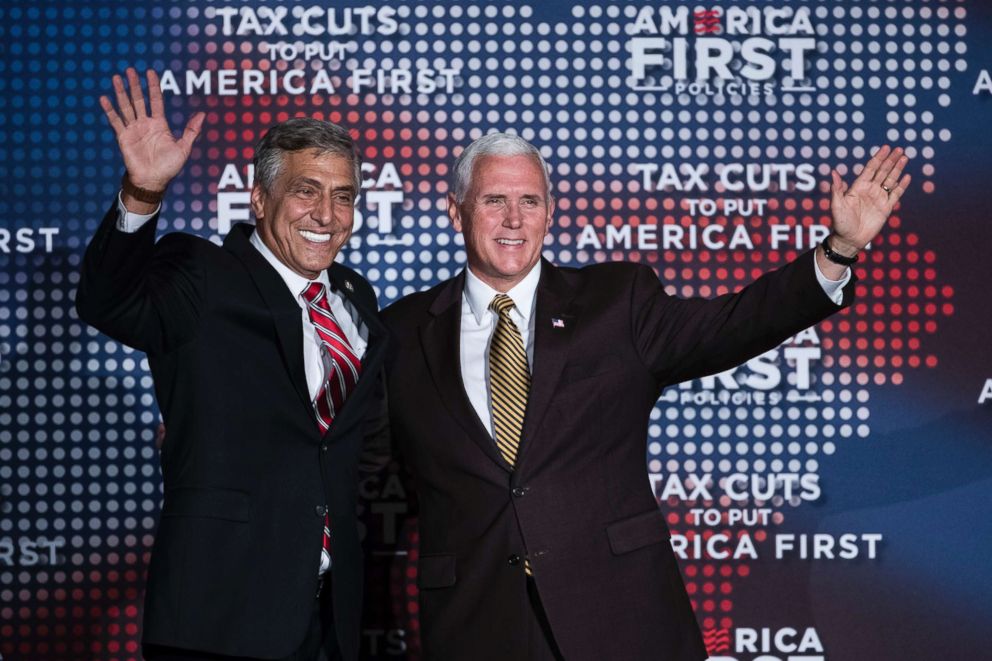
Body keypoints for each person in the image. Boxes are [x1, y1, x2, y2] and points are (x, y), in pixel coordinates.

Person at [381, 132, 909, 660]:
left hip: (617, 613)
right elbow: (359, 465)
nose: (514, 219)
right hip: (476, 624)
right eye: (495, 201)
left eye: (530, 201)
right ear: (457, 212)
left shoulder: (617, 303)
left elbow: (732, 324)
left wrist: (837, 251)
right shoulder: (401, 332)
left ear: (550, 212)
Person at [76, 68, 388, 661]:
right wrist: (143, 194)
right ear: (260, 197)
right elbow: (107, 301)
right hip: (218, 613)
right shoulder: (202, 274)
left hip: (329, 616)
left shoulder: (356, 297)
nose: (326, 213)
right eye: (306, 190)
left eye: (342, 195)